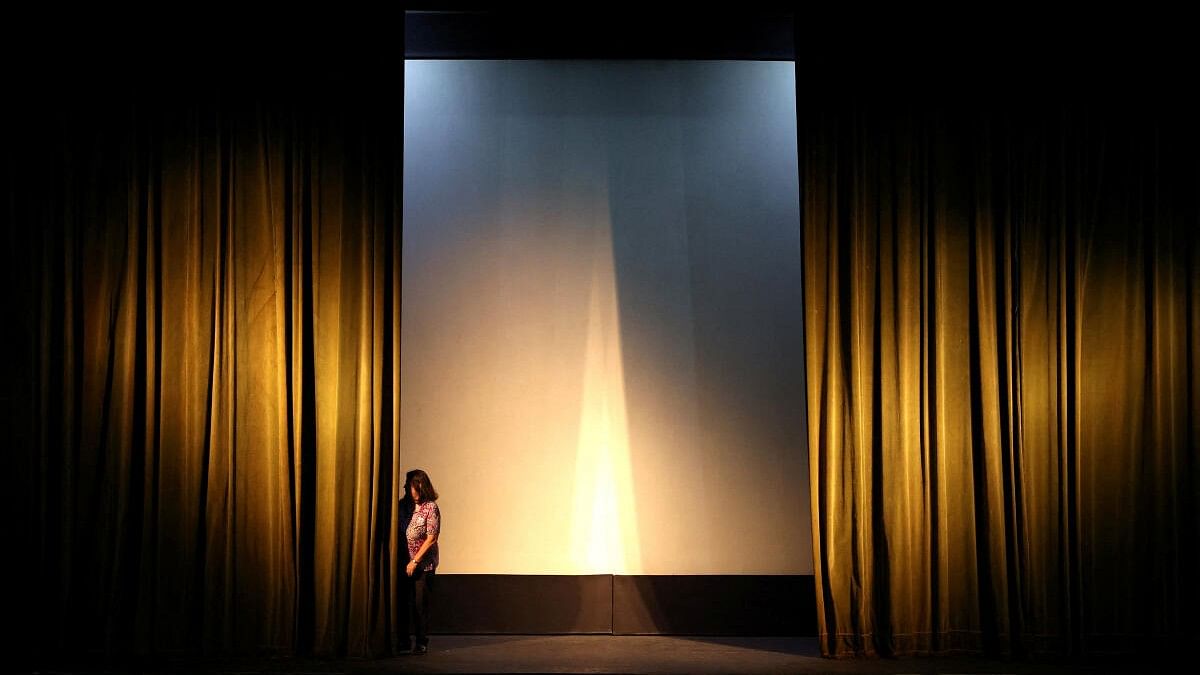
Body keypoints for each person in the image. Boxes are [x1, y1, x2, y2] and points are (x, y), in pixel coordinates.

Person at [401, 469, 440, 655]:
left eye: (417, 490)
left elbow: (431, 538)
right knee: (403, 603)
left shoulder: (430, 508)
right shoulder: (404, 506)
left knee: (419, 604)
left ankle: (421, 641)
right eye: (411, 490)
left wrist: (415, 561)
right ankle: (403, 639)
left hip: (423, 565)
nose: (414, 494)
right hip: (403, 561)